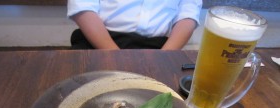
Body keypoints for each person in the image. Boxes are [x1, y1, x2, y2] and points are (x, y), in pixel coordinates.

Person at [67, 0, 202, 50]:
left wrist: (163, 57)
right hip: (99, 42)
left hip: (160, 48)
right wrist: (115, 56)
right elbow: (82, 6)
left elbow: (188, 13)